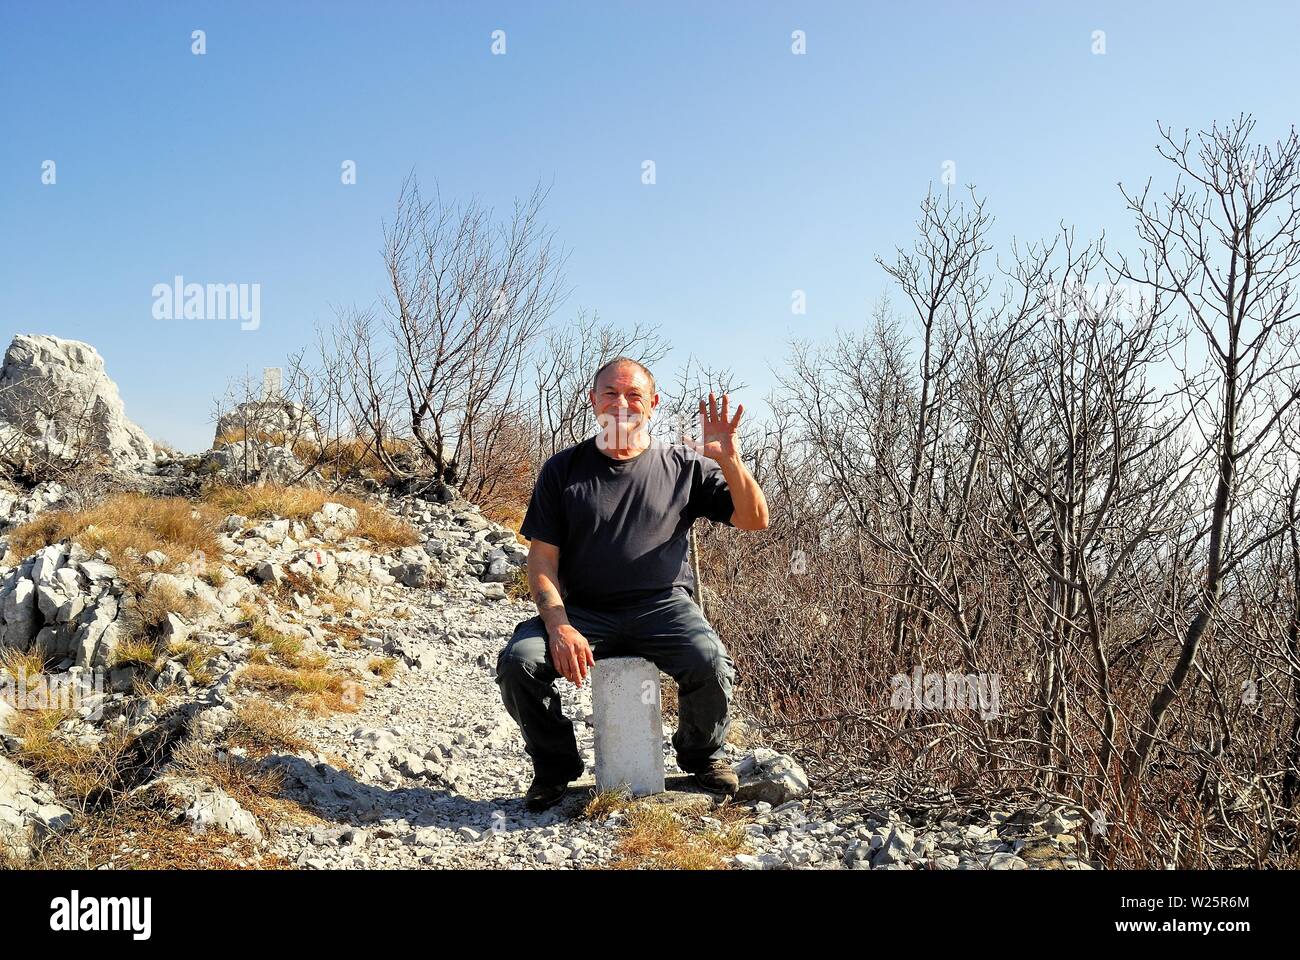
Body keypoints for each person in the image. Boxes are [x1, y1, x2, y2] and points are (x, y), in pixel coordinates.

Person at [495, 356, 770, 811]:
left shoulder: (683, 466)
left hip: (664, 607)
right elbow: (542, 560)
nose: (621, 404)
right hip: (583, 609)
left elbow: (755, 519)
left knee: (711, 663)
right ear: (592, 401)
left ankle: (701, 755)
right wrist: (560, 626)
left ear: (653, 403)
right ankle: (555, 767)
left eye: (634, 395)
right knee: (518, 663)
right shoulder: (563, 470)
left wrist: (730, 460)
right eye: (610, 394)